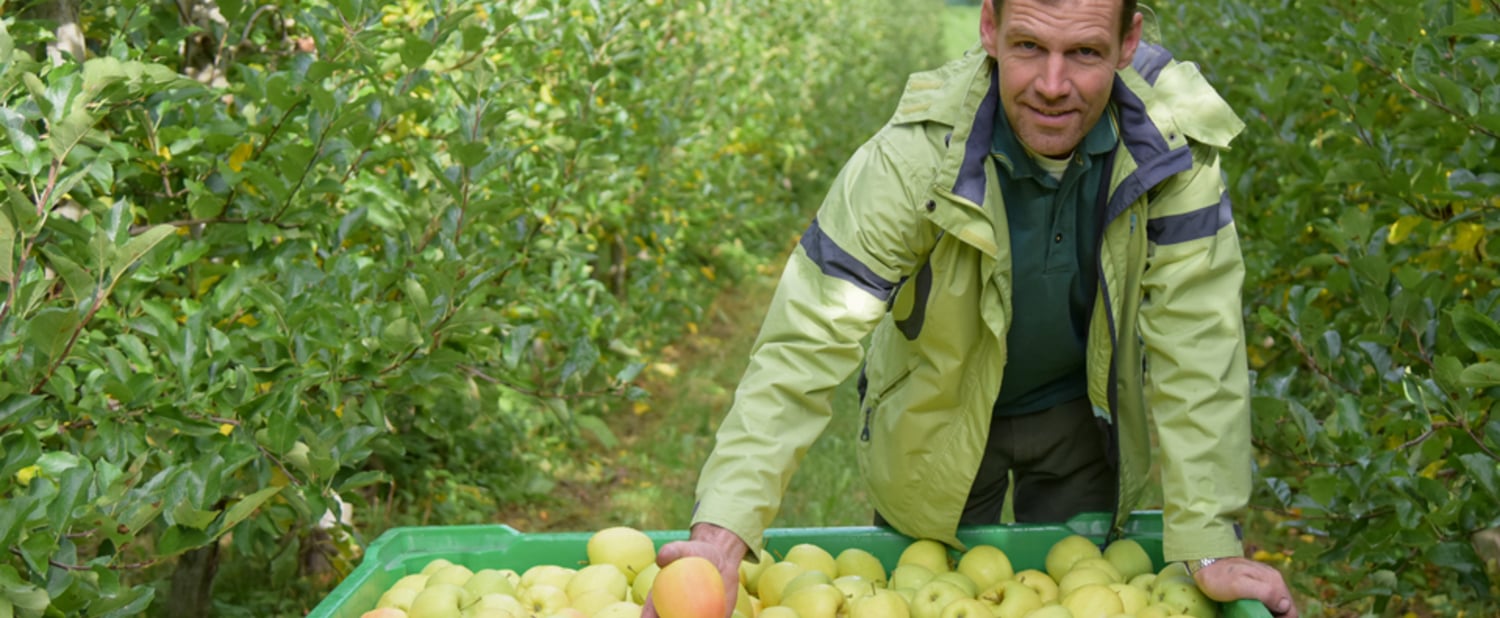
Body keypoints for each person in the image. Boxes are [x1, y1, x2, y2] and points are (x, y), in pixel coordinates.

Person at [645, 0, 1298, 616]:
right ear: (989, 27)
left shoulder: (1171, 152)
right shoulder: (911, 161)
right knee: (928, 587)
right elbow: (805, 341)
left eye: (1084, 53)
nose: (1051, 83)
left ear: (1129, 43)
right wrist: (722, 534)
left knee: (1079, 590)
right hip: (941, 411)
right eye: (1028, 45)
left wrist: (1209, 539)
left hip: (1079, 414)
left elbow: (1199, 342)